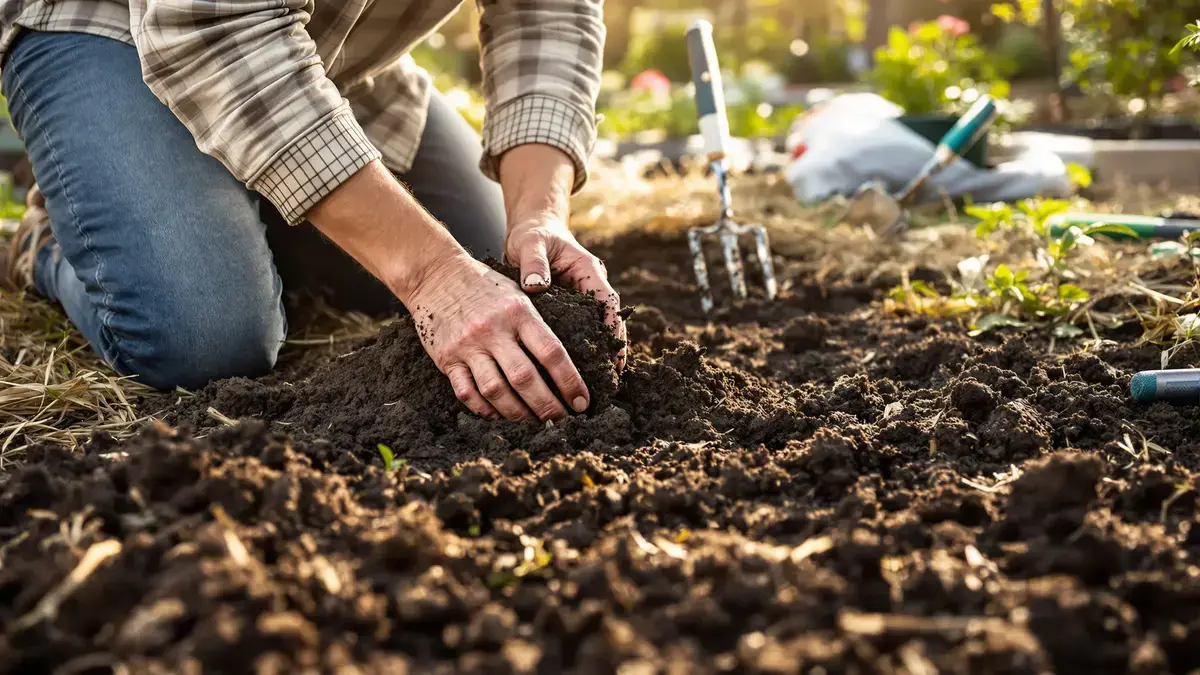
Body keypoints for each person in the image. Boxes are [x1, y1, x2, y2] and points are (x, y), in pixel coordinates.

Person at [0, 0, 625, 424]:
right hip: (116, 30)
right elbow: (213, 29)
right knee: (206, 336)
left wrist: (539, 214)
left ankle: (243, 200)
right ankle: (53, 241)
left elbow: (549, 15)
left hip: (327, 51)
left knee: (487, 249)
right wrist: (431, 273)